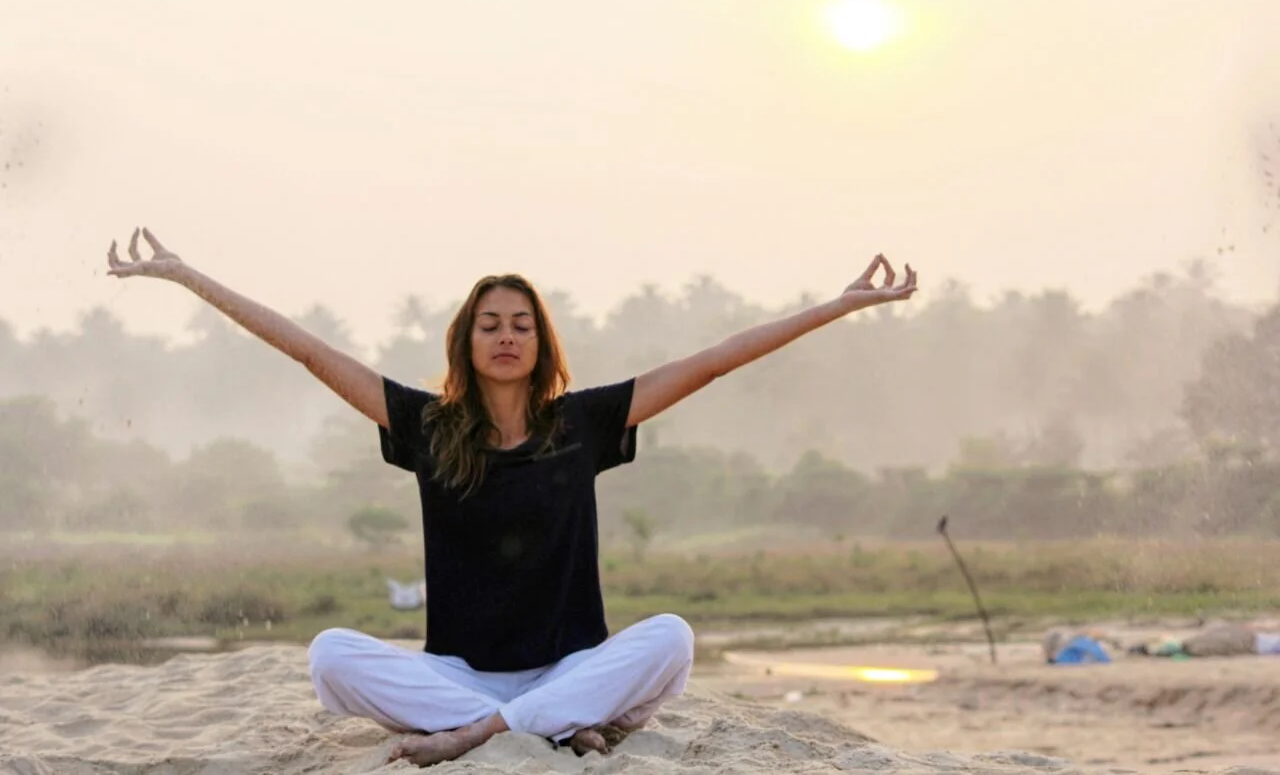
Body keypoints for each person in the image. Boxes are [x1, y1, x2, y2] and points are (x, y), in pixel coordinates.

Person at [105, 226, 919, 767]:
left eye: (521, 323)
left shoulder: (582, 423)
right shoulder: (428, 425)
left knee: (672, 637)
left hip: (570, 665)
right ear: (467, 340)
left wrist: (840, 305)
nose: (505, 334)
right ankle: (548, 723)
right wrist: (185, 275)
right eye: (490, 323)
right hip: (460, 676)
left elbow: (711, 362)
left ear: (541, 340)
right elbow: (311, 353)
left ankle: (485, 734)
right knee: (329, 656)